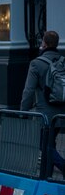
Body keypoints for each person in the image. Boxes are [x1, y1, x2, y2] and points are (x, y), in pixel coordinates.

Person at [21, 30, 65, 175]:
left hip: (44, 113)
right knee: (50, 144)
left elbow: (28, 91)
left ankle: (62, 167)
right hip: (61, 112)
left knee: (44, 144)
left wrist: (23, 112)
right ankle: (47, 176)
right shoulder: (62, 61)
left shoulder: (36, 63)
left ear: (44, 44)